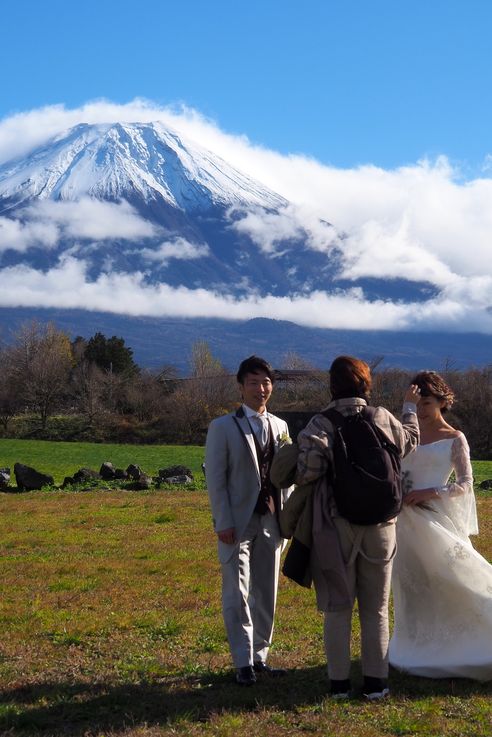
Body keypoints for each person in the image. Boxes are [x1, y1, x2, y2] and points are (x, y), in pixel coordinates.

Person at [294, 355, 420, 700]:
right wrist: (409, 408)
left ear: (332, 386)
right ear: (366, 384)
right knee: (376, 608)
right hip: (382, 526)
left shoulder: (321, 424)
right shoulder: (381, 417)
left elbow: (307, 472)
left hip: (337, 527)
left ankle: (338, 685)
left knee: (338, 606)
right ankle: (376, 684)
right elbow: (410, 442)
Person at [389, 371, 492, 682]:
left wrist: (429, 492)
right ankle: (417, 644)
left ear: (443, 401)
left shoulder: (453, 438)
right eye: (416, 402)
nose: (421, 408)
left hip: (435, 519)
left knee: (455, 579)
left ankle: (465, 642)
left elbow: (465, 484)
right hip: (402, 523)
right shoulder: (404, 432)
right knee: (412, 586)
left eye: (428, 402)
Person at [205, 355, 291, 686]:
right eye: (253, 382)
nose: (261, 388)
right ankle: (242, 661)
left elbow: (287, 473)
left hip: (272, 520)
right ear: (241, 387)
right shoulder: (223, 427)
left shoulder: (281, 427)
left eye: (266, 382)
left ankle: (260, 656)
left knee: (266, 590)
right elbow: (216, 478)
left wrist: (287, 514)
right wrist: (222, 521)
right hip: (236, 522)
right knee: (237, 591)